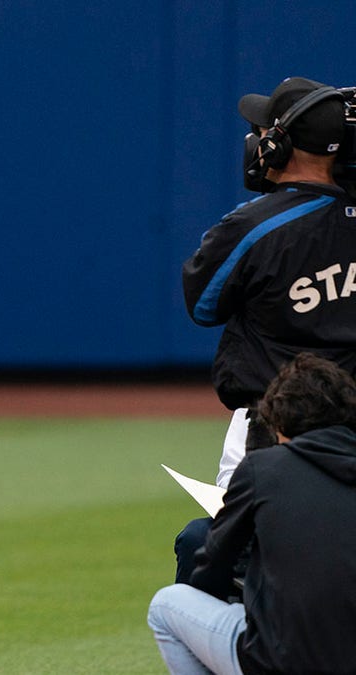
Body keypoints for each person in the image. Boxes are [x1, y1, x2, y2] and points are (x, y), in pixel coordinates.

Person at [176, 76, 356, 581]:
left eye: (264, 128)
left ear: (278, 143)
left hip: (271, 431)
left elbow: (204, 303)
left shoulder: (254, 225)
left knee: (220, 557)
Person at [148, 352, 356, 674]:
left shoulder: (265, 467)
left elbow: (211, 565)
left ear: (279, 421)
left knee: (167, 603)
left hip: (283, 658)